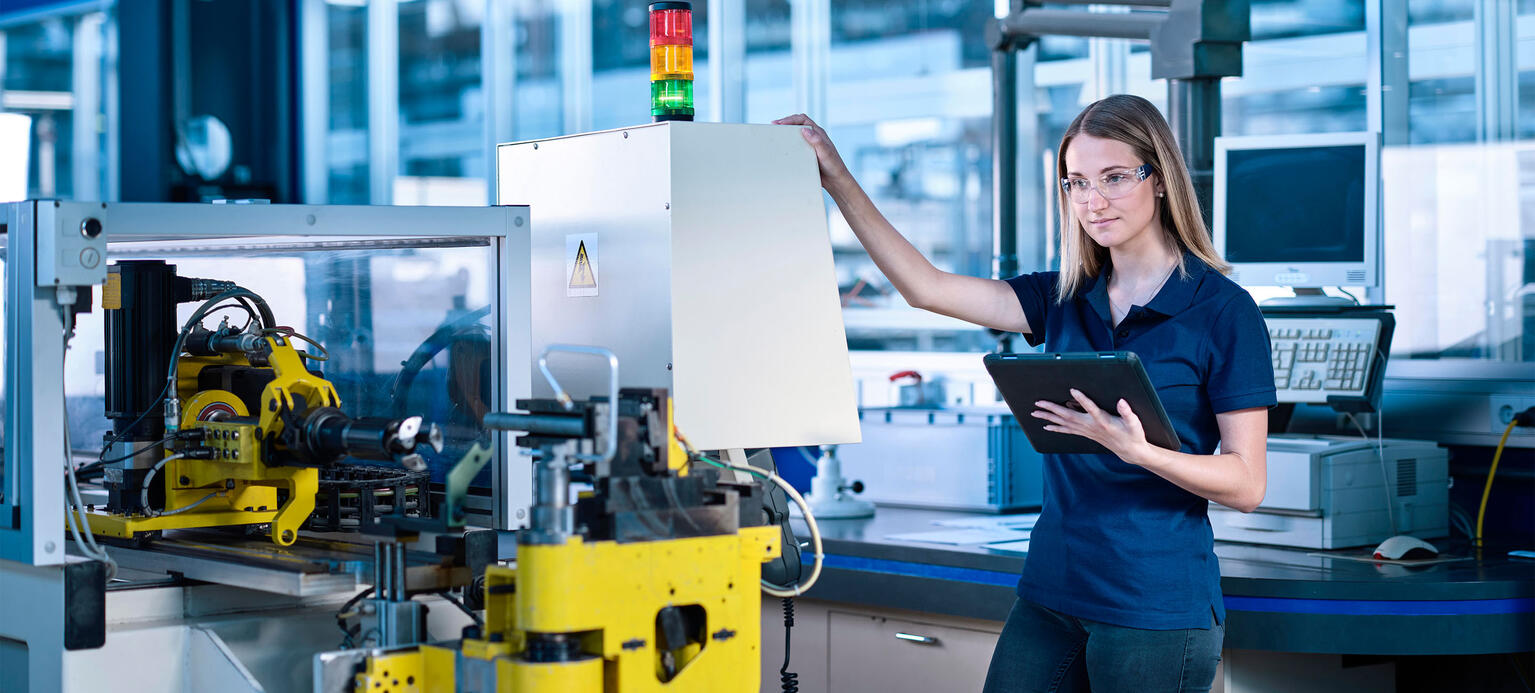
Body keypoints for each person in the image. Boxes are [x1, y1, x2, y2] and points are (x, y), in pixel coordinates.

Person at [775, 94, 1275, 693]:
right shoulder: (1063, 295)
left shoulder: (1224, 311)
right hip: (1052, 590)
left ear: (1161, 178)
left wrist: (1139, 451)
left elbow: (1247, 483)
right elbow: (925, 288)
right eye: (1077, 182)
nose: (1093, 201)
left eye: (1114, 178)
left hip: (1154, 604)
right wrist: (837, 178)